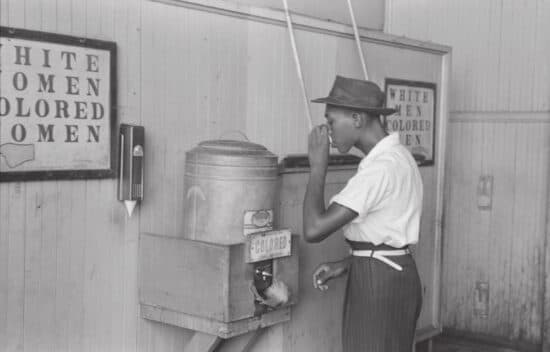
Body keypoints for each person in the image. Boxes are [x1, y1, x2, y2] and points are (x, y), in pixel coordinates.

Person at [303, 75, 423, 352]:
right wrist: (347, 263)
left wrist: (317, 166)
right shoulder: (399, 157)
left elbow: (314, 229)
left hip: (379, 284)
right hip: (392, 273)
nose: (328, 131)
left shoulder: (381, 168)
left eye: (331, 121)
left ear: (357, 119)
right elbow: (388, 234)